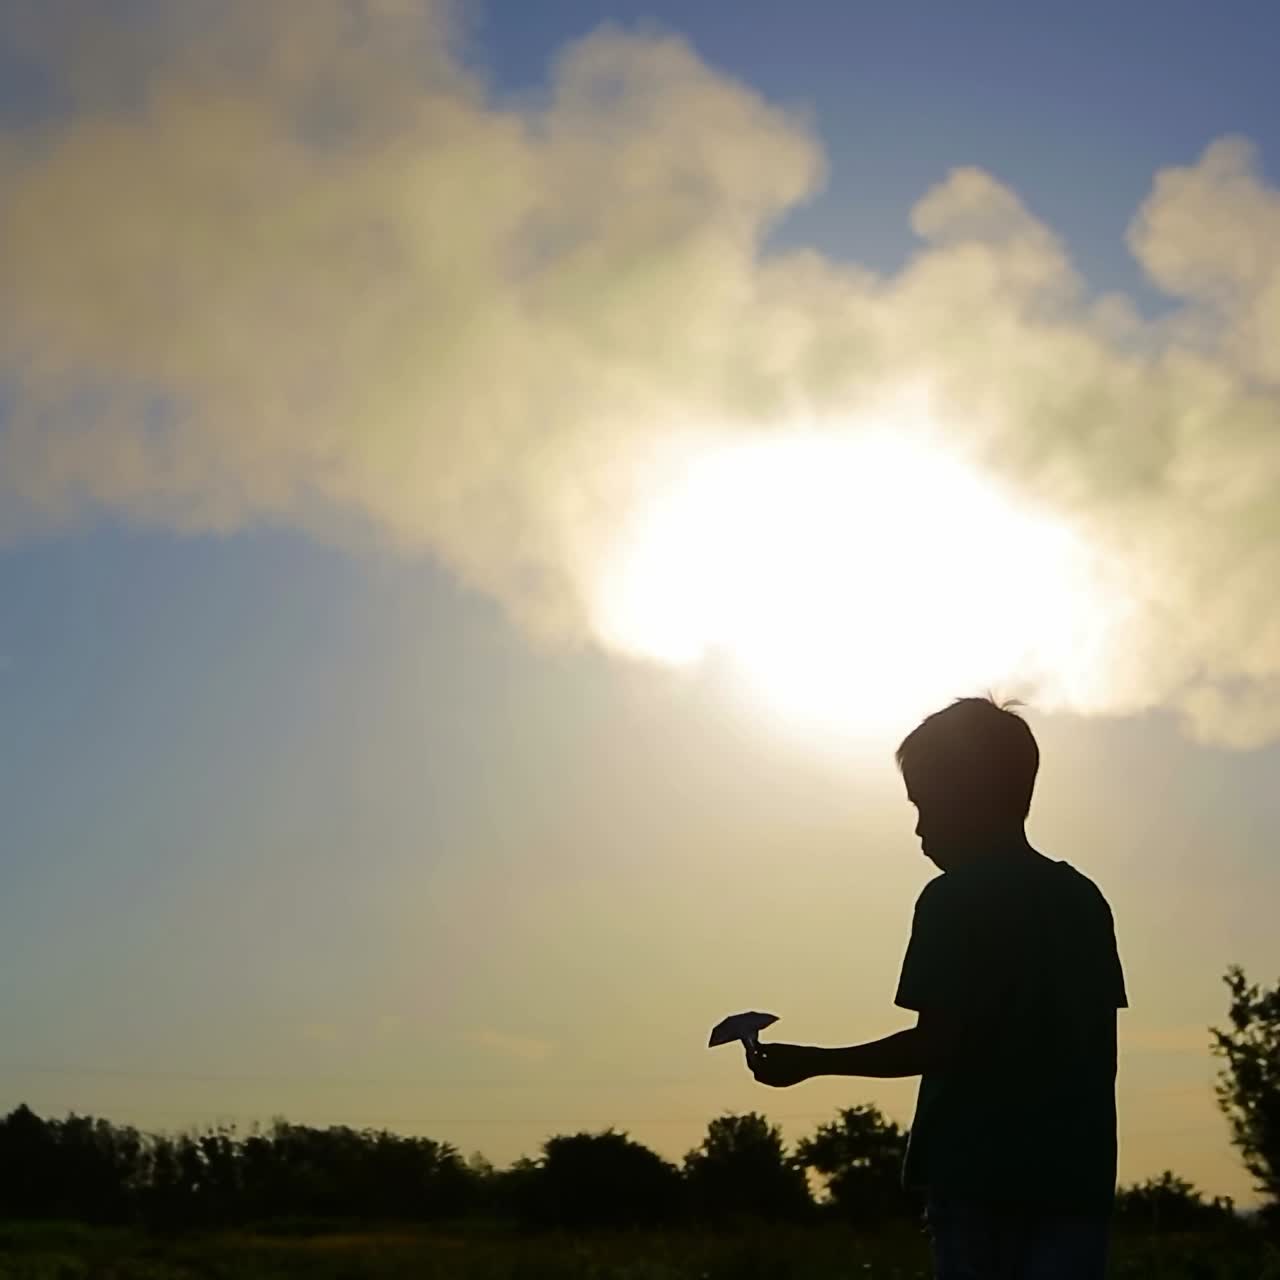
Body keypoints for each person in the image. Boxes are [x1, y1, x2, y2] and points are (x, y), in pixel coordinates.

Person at [746, 696, 1126, 1279]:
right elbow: (1101, 1047)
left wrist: (815, 1062)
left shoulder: (953, 901)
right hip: (1077, 1178)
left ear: (967, 796)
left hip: (978, 1177)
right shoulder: (1083, 900)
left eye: (925, 804)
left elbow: (938, 1044)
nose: (920, 827)